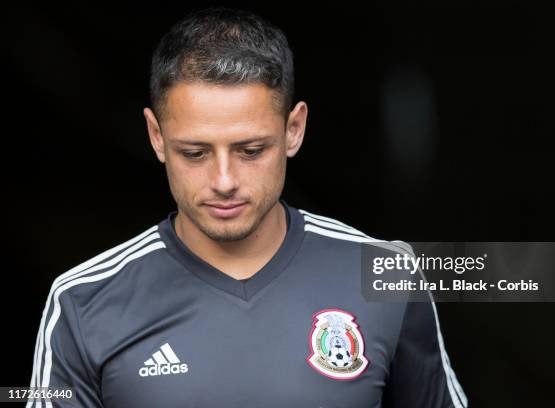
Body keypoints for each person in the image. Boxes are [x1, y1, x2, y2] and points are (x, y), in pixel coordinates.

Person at [27, 7, 467, 408]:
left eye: (251, 150)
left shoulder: (384, 274)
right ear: (156, 137)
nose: (224, 181)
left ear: (294, 129)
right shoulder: (82, 302)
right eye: (195, 153)